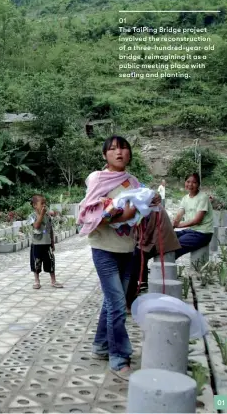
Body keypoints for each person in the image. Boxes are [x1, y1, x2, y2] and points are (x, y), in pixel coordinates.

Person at [78, 135, 160, 381]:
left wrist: (149, 203)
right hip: (103, 248)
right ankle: (119, 357)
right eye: (113, 149)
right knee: (116, 304)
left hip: (127, 248)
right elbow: (93, 211)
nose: (119, 152)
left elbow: (138, 211)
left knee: (112, 302)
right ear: (105, 155)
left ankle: (101, 346)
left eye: (123, 148)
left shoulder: (133, 181)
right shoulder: (97, 178)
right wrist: (126, 211)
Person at [125, 208, 180, 311]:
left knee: (133, 260)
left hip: (160, 240)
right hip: (152, 239)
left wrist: (136, 242)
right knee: (133, 259)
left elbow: (147, 232)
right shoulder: (144, 205)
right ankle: (136, 291)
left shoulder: (149, 207)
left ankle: (130, 301)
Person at [172, 173, 214, 260]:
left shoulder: (203, 198)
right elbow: (179, 214)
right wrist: (172, 225)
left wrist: (178, 225)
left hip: (203, 233)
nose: (190, 185)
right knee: (169, 237)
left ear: (198, 184)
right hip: (191, 230)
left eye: (194, 182)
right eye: (188, 181)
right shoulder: (185, 198)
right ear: (185, 182)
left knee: (175, 245)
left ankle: (166, 268)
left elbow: (197, 220)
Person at [27, 194, 63, 289]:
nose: (44, 205)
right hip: (37, 244)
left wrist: (52, 243)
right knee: (36, 263)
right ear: (35, 205)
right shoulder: (32, 216)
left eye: (45, 203)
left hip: (47, 244)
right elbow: (36, 226)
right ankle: (37, 281)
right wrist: (41, 215)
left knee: (51, 262)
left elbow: (50, 230)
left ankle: (53, 280)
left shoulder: (48, 216)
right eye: (41, 203)